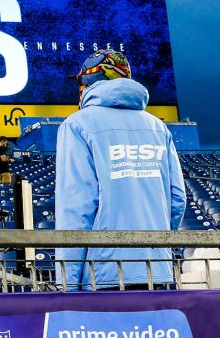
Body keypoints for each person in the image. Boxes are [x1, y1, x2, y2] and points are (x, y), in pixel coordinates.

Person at [55, 49, 185, 289]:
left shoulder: (77, 124)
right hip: (157, 271)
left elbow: (77, 207)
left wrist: (68, 284)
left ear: (89, 81)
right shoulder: (157, 126)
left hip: (103, 274)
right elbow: (177, 200)